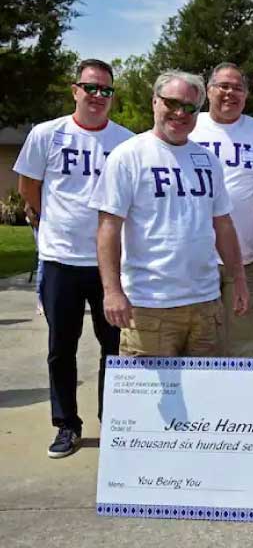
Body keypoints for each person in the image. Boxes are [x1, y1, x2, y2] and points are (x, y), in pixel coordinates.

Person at [14, 58, 133, 459]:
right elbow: (29, 186)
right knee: (61, 346)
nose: (98, 96)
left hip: (110, 264)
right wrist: (47, 222)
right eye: (91, 87)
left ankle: (115, 421)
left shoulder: (126, 141)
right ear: (75, 90)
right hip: (61, 258)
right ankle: (67, 424)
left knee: (114, 345)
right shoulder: (47, 135)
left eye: (106, 90)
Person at [90, 70, 247, 360]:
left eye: (190, 107)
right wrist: (112, 291)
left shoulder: (208, 161)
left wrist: (238, 279)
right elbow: (108, 228)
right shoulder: (128, 156)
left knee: (206, 400)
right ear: (154, 102)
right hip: (150, 307)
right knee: (147, 404)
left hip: (205, 306)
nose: (180, 112)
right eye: (171, 103)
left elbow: (223, 225)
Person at [189, 62, 253, 357]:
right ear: (208, 90)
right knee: (197, 342)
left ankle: (238, 402)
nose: (230, 93)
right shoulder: (189, 127)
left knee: (242, 343)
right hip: (192, 260)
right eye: (223, 86)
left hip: (246, 258)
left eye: (237, 88)